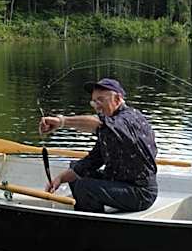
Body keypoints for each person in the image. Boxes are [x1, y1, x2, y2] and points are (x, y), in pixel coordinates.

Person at [39, 78, 158, 213]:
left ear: (118, 99)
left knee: (85, 187)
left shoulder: (130, 120)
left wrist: (61, 121)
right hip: (118, 182)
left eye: (101, 100)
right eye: (94, 101)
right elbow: (92, 161)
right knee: (77, 170)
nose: (96, 106)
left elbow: (98, 123)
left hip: (141, 193)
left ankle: (92, 224)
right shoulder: (109, 129)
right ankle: (86, 211)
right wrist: (60, 179)